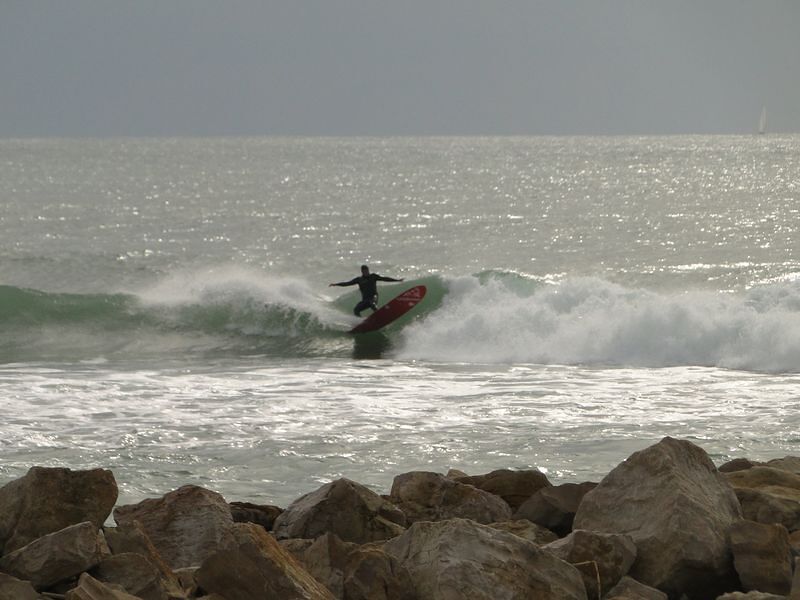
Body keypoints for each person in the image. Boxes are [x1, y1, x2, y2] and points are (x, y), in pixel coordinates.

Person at [330, 265, 404, 316]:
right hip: (365, 300)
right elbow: (347, 283)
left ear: (368, 270)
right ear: (362, 272)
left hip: (373, 297)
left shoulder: (373, 276)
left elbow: (385, 279)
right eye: (364, 271)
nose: (366, 272)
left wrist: (397, 280)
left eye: (367, 270)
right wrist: (336, 284)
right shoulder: (359, 280)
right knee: (356, 309)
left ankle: (379, 315)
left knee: (372, 303)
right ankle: (360, 322)